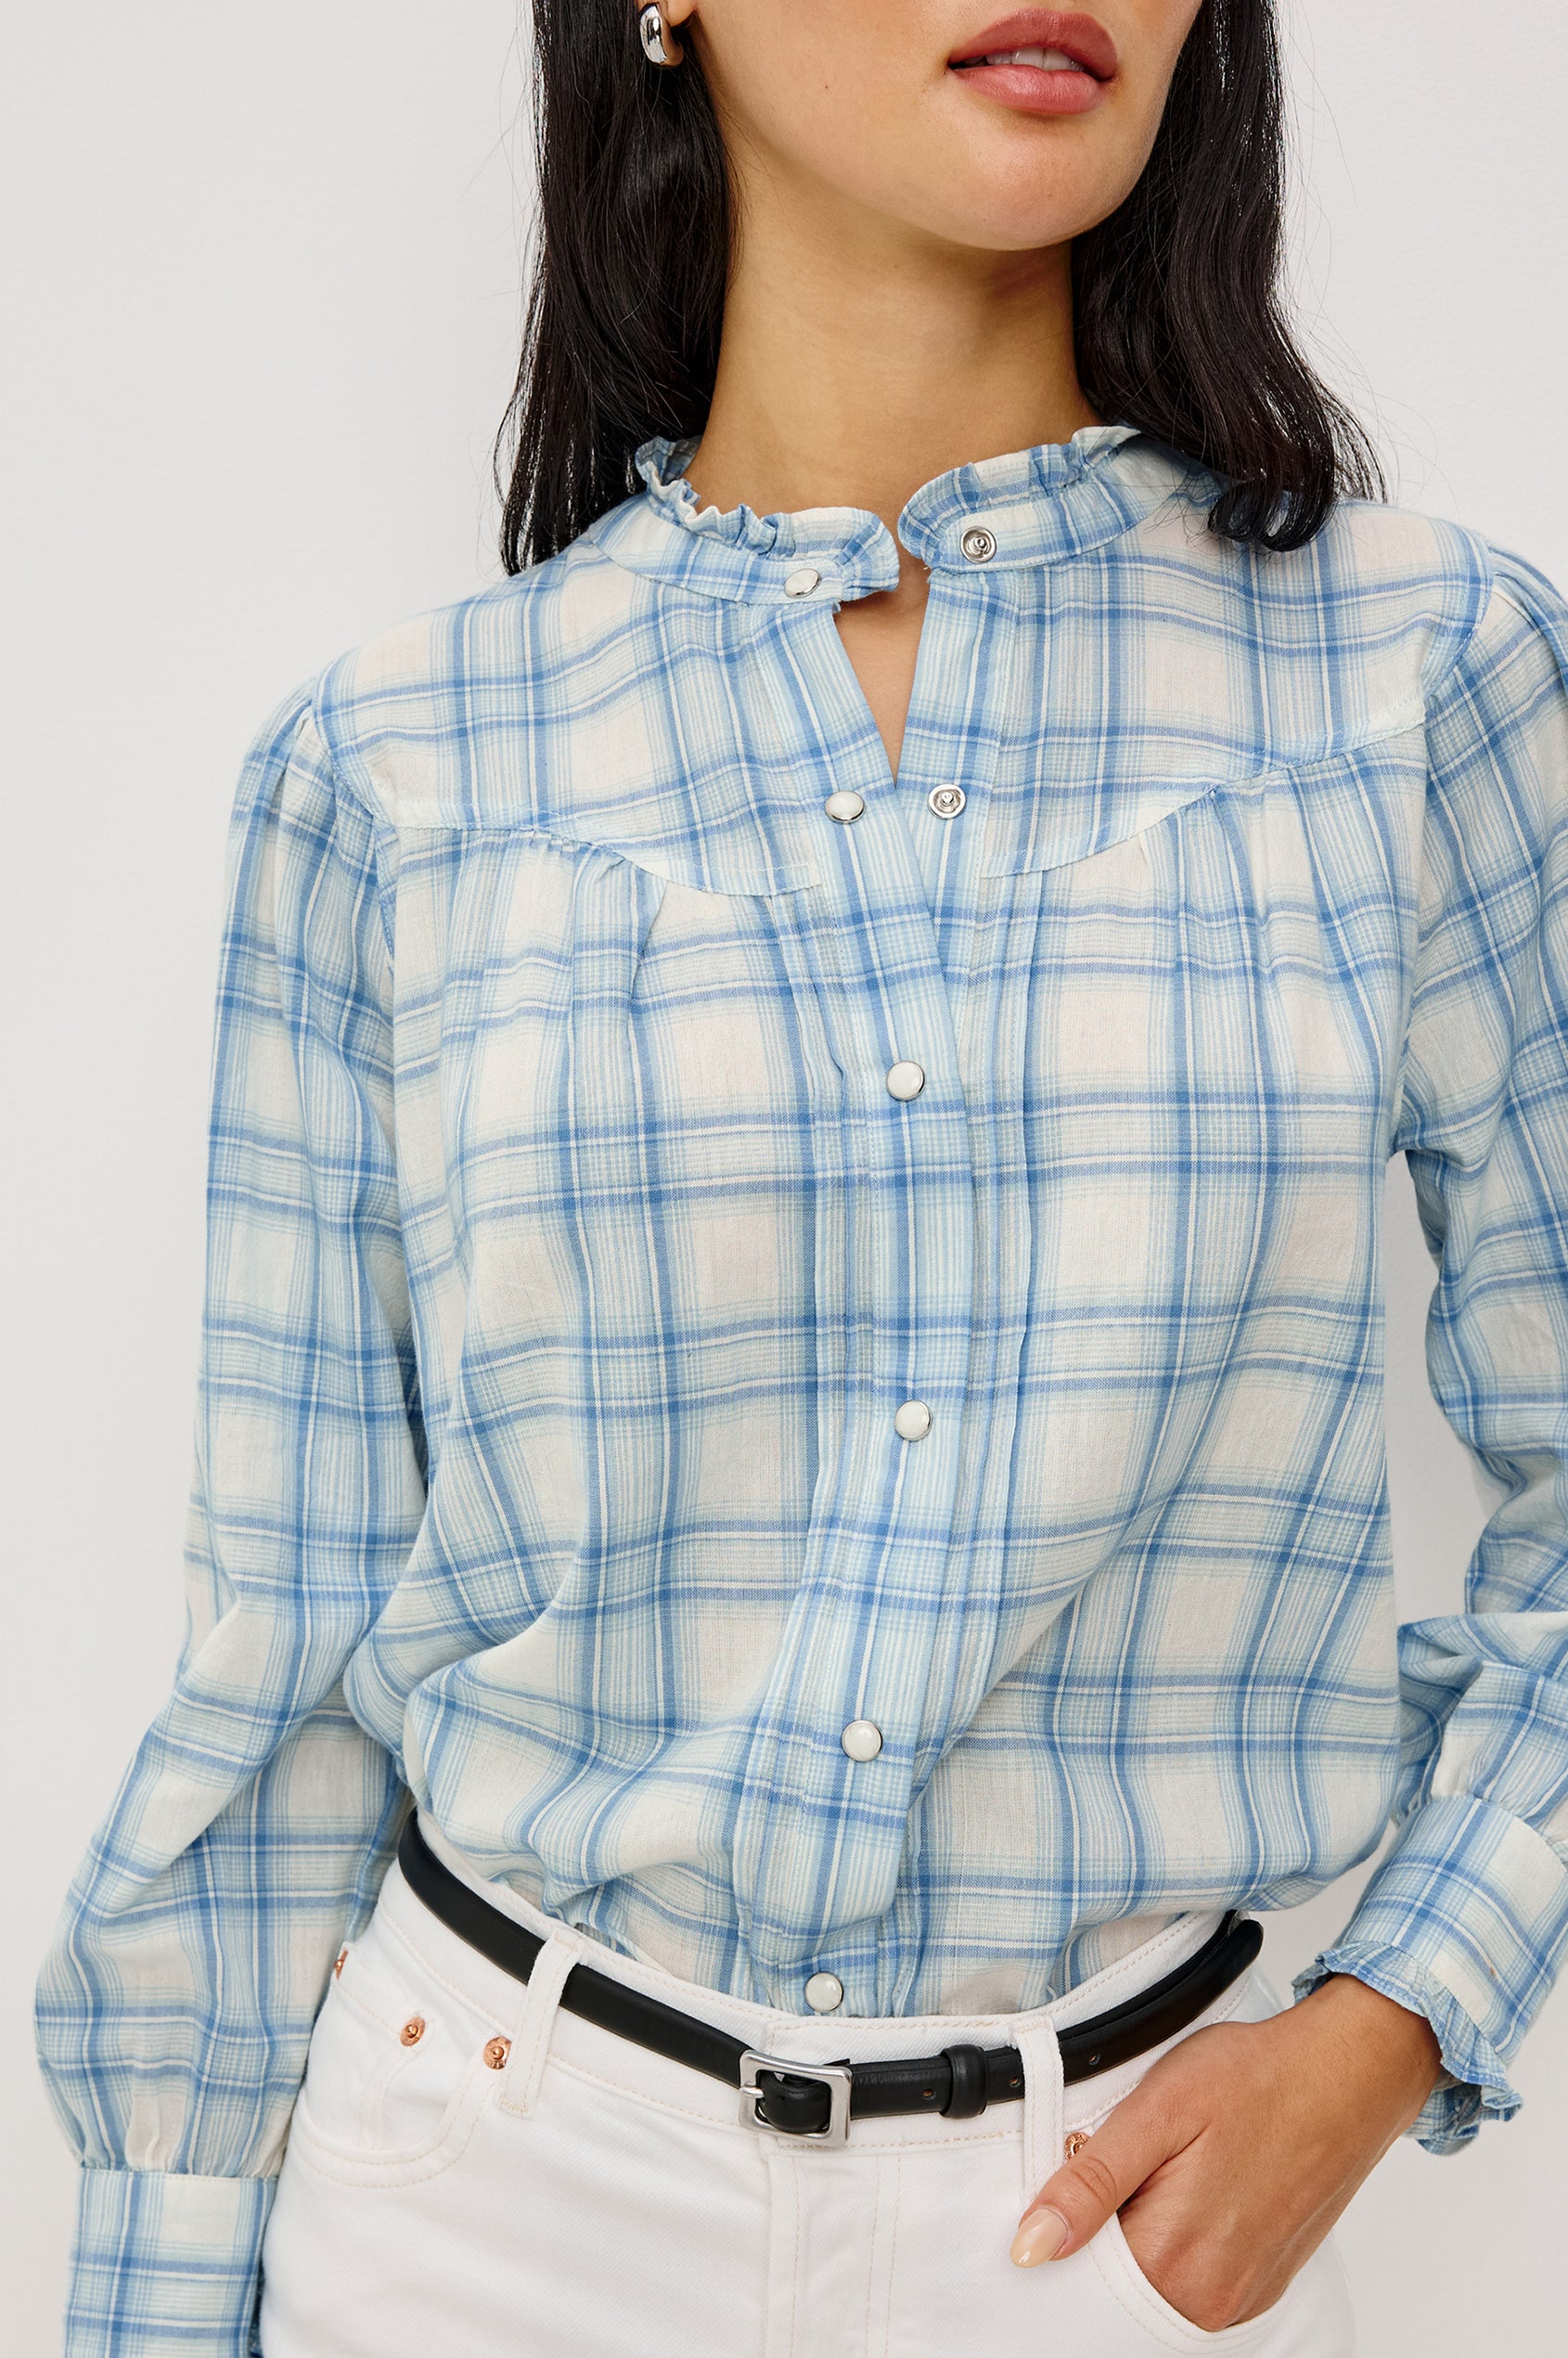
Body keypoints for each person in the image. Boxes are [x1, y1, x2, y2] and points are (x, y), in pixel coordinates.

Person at [33, 2, 1568, 2352]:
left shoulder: (1420, 676)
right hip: (479, 2208)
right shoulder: (399, 766)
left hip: (1115, 2227)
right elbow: (287, 1640)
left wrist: (1393, 2014)